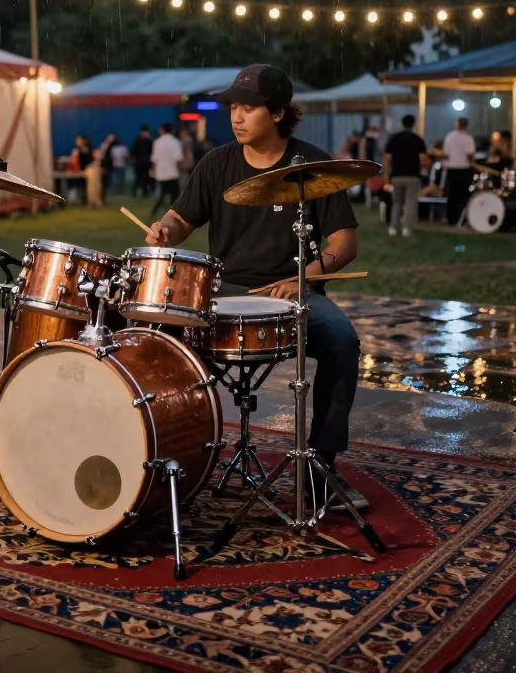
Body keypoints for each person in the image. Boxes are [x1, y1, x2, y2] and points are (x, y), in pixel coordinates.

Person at [146, 64, 366, 510]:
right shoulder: (216, 163)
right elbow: (181, 219)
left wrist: (304, 277)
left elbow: (345, 243)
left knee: (342, 341)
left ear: (280, 113)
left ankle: (320, 467)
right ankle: (166, 458)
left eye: (248, 107)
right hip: (222, 290)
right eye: (234, 107)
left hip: (293, 291)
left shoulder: (313, 167)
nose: (236, 116)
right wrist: (165, 230)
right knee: (155, 340)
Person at [383, 115, 429, 237]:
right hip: (413, 176)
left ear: (401, 124)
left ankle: (393, 227)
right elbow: (424, 160)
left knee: (396, 202)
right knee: (410, 203)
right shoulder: (417, 139)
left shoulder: (394, 139)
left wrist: (386, 177)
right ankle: (406, 228)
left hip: (397, 176)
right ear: (413, 124)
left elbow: (387, 159)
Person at [442, 117, 476, 225]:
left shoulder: (449, 136)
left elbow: (445, 153)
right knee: (464, 194)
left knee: (452, 195)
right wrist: (472, 162)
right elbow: (470, 154)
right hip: (464, 169)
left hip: (452, 168)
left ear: (457, 124)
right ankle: (463, 218)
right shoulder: (468, 138)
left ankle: (451, 218)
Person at [150, 123, 183, 216]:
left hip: (161, 173)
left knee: (162, 194)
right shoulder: (175, 142)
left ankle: (155, 212)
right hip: (172, 172)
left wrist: (153, 170)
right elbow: (178, 159)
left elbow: (154, 159)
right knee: (175, 195)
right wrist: (179, 170)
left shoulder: (157, 143)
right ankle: (175, 213)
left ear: (163, 130)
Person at [130, 125, 154, 198]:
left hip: (138, 162)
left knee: (138, 178)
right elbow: (152, 151)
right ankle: (145, 192)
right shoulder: (149, 140)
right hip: (146, 162)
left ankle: (134, 192)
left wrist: (134, 159)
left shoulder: (137, 140)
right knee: (146, 178)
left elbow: (133, 151)